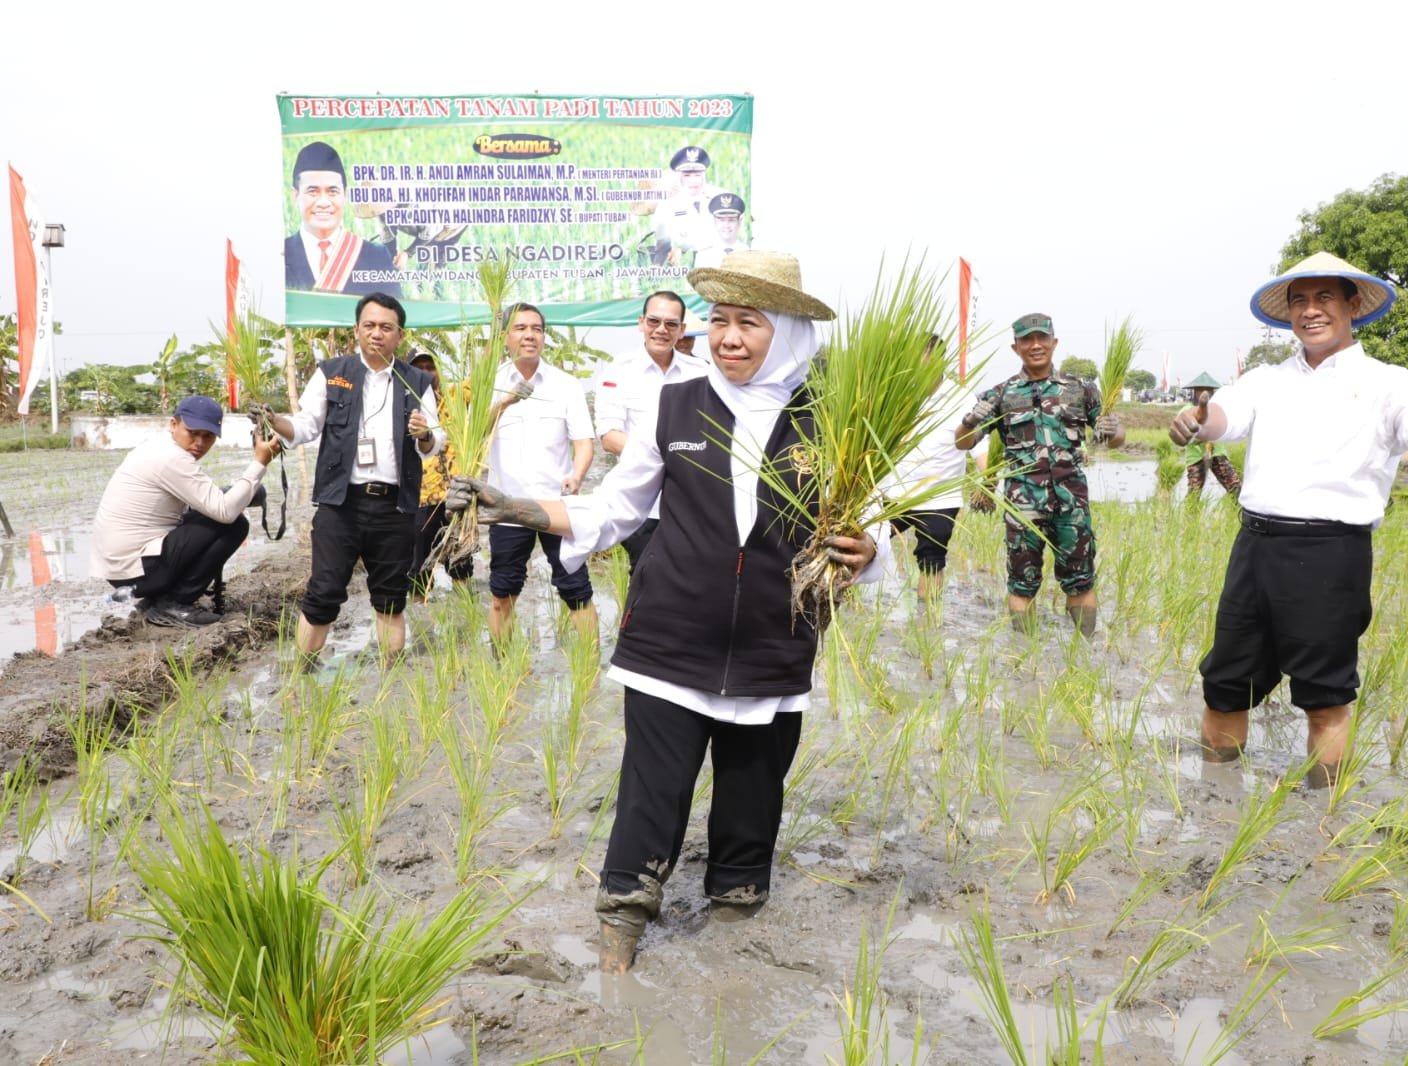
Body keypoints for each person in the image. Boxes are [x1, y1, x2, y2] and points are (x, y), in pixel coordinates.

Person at [446, 250, 879, 974]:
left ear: (790, 332)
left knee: (752, 795)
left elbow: (868, 532)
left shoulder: (831, 424)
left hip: (775, 640)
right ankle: (621, 925)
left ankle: (737, 928)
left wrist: (868, 553)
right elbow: (618, 507)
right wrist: (517, 507)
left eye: (750, 323)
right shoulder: (674, 407)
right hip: (670, 634)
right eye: (719, 322)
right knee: (652, 788)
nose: (728, 338)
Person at [1169, 251, 1408, 785]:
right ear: (1288, 313)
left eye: (1325, 298)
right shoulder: (1266, 380)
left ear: (1353, 305)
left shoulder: (1388, 381)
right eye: (1300, 301)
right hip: (1256, 549)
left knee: (1324, 698)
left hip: (1332, 554)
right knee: (1224, 686)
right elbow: (1224, 416)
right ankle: (1217, 807)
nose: (1311, 311)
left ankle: (1320, 824)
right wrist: (1198, 422)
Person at [260, 292, 442, 662]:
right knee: (323, 593)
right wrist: (274, 420)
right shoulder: (332, 374)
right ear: (357, 329)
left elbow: (435, 442)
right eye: (370, 325)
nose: (377, 333)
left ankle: (390, 679)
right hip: (341, 505)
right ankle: (302, 674)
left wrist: (424, 433)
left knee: (390, 598)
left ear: (400, 335)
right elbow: (306, 425)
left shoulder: (417, 382)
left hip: (396, 507)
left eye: (386, 327)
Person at [955, 313, 1125, 635]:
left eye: (1042, 338)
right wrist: (970, 420)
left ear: (1054, 342)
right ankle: (1026, 657)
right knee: (1022, 585)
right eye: (1027, 340)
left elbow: (1114, 438)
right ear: (1015, 347)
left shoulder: (1081, 389)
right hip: (1022, 507)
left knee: (1080, 581)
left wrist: (1115, 429)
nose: (1036, 345)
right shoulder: (999, 395)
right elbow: (963, 443)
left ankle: (1082, 653)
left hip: (1071, 504)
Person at [90, 396, 280, 628]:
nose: (199, 443)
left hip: (125, 568)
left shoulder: (158, 447)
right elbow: (225, 511)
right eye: (193, 433)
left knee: (213, 515)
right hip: (135, 571)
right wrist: (260, 463)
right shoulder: (172, 458)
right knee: (234, 524)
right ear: (173, 425)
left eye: (208, 436)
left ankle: (159, 597)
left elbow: (202, 502)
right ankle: (174, 602)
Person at [482, 302, 598, 645]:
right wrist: (503, 404)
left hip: (556, 505)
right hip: (506, 506)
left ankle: (587, 667)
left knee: (576, 589)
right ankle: (502, 667)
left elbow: (584, 443)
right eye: (520, 328)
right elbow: (473, 438)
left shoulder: (566, 385)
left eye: (536, 328)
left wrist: (576, 476)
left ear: (544, 336)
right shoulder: (490, 384)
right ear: (505, 337)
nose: (530, 335)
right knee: (503, 591)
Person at [593, 291, 708, 571]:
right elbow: (609, 437)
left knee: (693, 582)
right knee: (647, 583)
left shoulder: (702, 373)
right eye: (654, 321)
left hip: (691, 505)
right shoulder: (619, 371)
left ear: (682, 330)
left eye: (671, 324)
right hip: (641, 505)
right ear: (641, 323)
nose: (661, 330)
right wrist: (670, 456)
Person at [886, 338, 980, 605]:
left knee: (932, 559)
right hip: (894, 494)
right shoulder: (897, 393)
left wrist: (986, 481)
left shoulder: (961, 398)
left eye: (925, 361)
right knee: (861, 541)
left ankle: (927, 621)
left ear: (940, 360)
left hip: (940, 496)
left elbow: (978, 444)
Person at [283, 141, 400, 298]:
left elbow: (394, 316)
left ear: (344, 195)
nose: (324, 203)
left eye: (332, 192)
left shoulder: (376, 256)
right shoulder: (281, 254)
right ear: (295, 195)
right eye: (313, 192)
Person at [405, 351, 474, 598]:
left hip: (456, 496)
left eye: (430, 366)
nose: (425, 372)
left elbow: (481, 377)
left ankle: (466, 619)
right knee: (419, 567)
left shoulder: (454, 397)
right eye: (419, 367)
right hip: (421, 499)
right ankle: (421, 619)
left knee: (461, 563)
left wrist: (498, 332)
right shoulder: (406, 404)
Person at [649, 146, 726, 265]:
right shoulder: (667, 204)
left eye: (697, 175)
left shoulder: (719, 197)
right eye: (687, 175)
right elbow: (662, 240)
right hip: (679, 268)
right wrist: (657, 265)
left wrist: (683, 248)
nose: (693, 181)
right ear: (679, 176)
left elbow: (723, 234)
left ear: (704, 174)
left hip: (715, 262)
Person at [1181, 373, 1241, 497]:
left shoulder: (1218, 411)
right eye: (1200, 390)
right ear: (1194, 392)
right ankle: (1190, 516)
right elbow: (1185, 436)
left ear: (1213, 393)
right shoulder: (1186, 411)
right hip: (1196, 457)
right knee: (1194, 492)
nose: (1204, 394)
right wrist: (1200, 437)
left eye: (1208, 391)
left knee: (1235, 487)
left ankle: (1242, 514)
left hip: (1217, 453)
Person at [693, 192, 748, 269]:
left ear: (739, 221)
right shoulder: (703, 257)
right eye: (721, 220)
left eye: (731, 220)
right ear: (714, 221)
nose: (726, 225)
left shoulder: (749, 254)